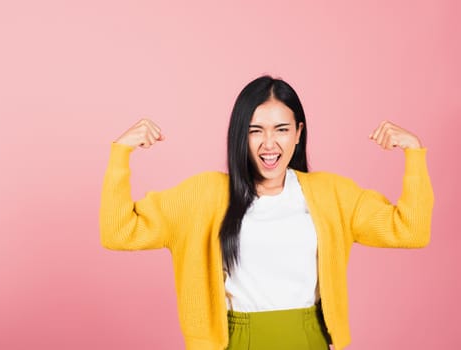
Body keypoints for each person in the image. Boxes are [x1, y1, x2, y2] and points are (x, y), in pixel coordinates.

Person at [99, 76, 434, 350]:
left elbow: (410, 231)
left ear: (299, 133)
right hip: (236, 340)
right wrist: (121, 155)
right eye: (255, 130)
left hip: (308, 339)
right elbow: (119, 233)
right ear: (239, 136)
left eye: (281, 129)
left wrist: (414, 154)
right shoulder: (203, 195)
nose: (269, 144)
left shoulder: (331, 194)